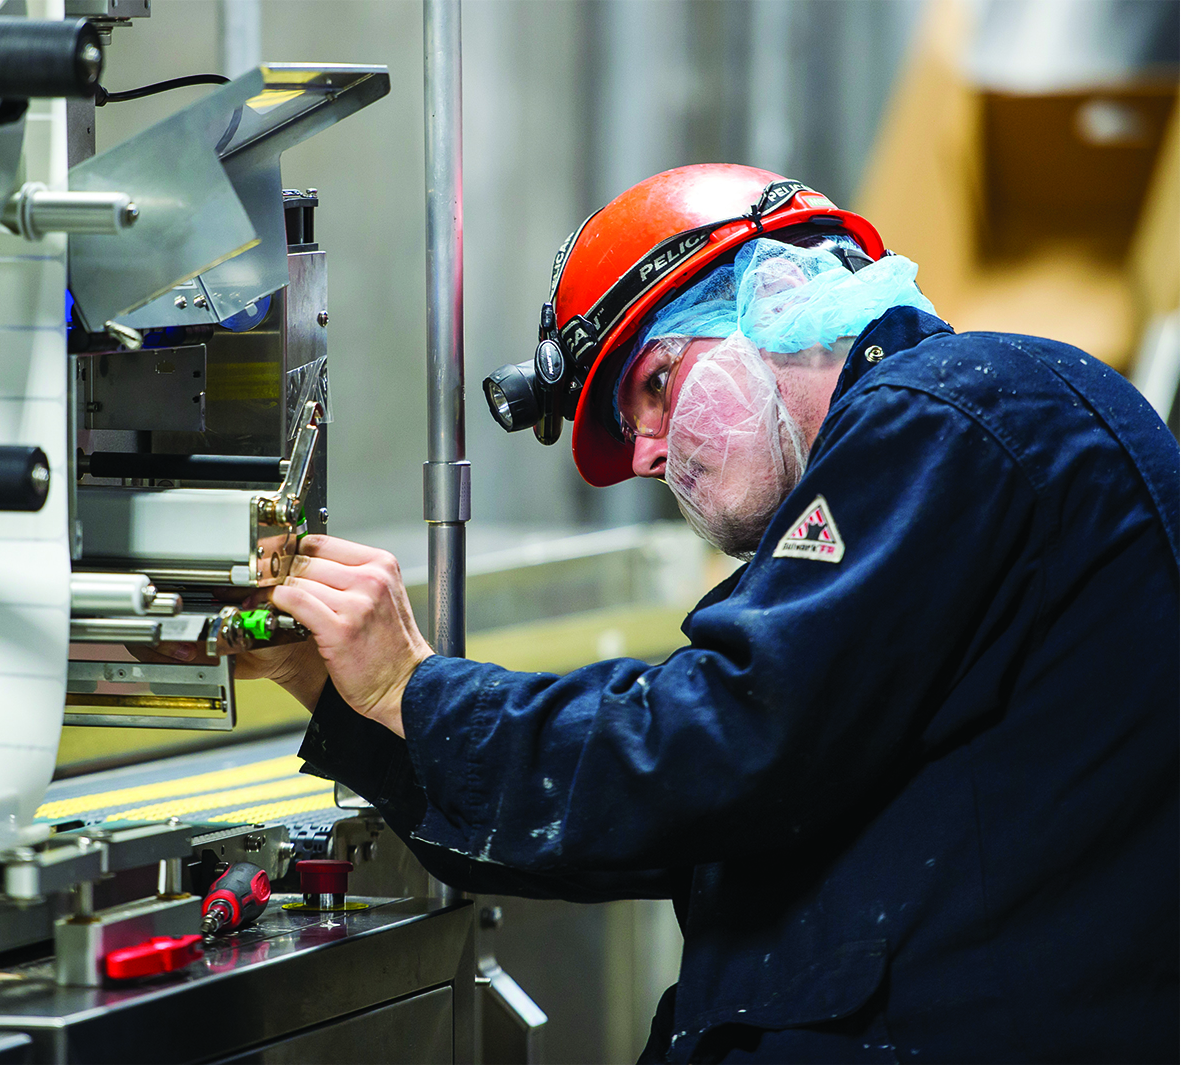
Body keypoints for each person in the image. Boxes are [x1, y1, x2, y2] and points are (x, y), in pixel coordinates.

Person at [192, 164, 1180, 1061]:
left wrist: (417, 689)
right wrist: (356, 703)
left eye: (655, 387)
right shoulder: (933, 470)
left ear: (772, 301)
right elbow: (673, 817)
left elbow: (715, 745)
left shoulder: (955, 412)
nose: (651, 454)